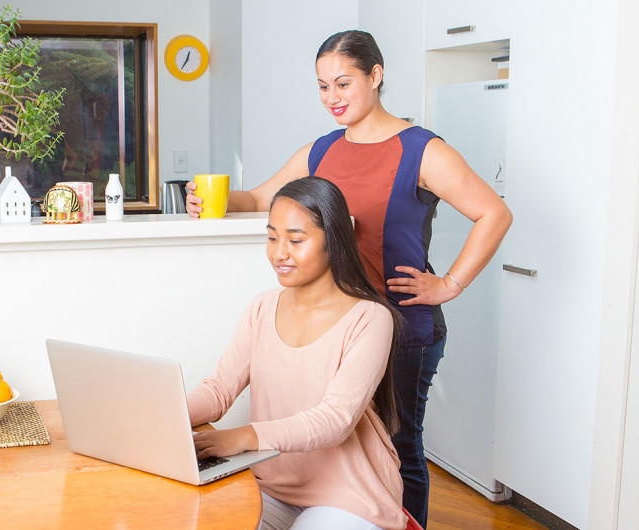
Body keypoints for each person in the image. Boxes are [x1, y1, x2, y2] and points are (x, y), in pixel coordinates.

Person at [186, 30, 513, 527]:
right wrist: (208, 200)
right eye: (322, 87)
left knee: (397, 448)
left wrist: (448, 284)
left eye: (343, 84)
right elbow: (258, 199)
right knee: (341, 446)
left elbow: (494, 213)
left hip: (400, 326)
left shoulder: (421, 150)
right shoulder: (321, 151)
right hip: (327, 322)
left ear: (375, 76)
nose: (331, 98)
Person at [188, 176, 407, 530]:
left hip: (347, 496)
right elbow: (217, 392)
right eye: (272, 237)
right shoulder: (261, 307)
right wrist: (162, 413)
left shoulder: (370, 318)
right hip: (271, 488)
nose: (279, 253)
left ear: (333, 241)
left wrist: (243, 436)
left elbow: (335, 420)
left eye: (296, 240)